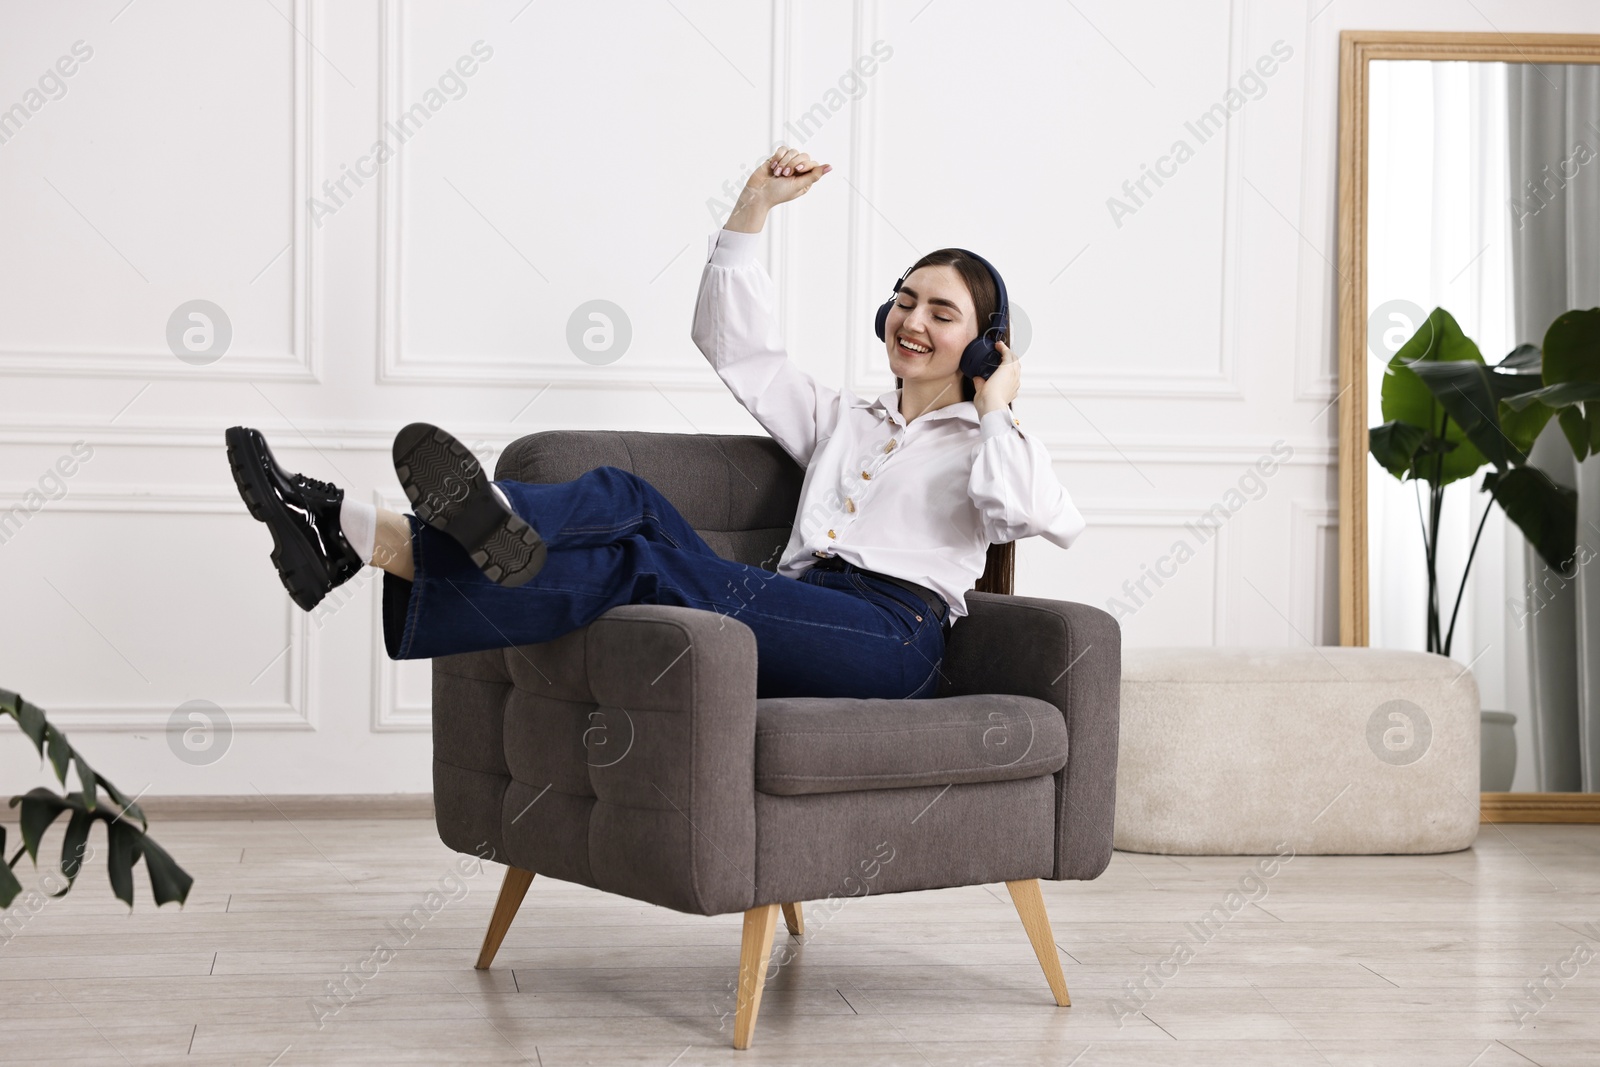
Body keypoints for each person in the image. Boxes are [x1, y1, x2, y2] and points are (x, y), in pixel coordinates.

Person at [224, 146, 1086, 700]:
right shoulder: (844, 420)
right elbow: (736, 346)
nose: (913, 320)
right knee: (623, 521)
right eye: (904, 300)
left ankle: (378, 530)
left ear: (982, 344)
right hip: (796, 597)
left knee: (633, 549)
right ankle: (365, 539)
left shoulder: (995, 445)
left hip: (892, 637)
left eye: (941, 312)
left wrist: (996, 403)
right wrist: (752, 207)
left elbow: (1038, 517)